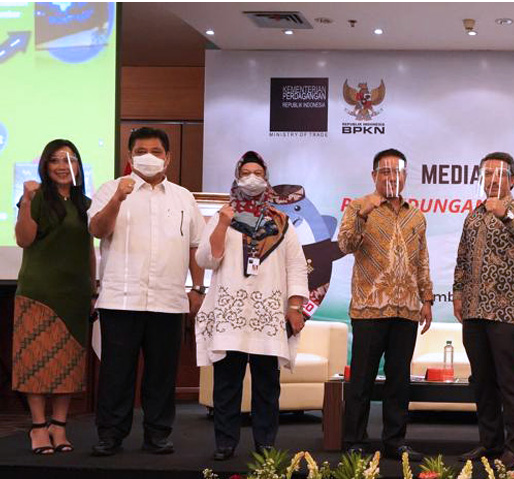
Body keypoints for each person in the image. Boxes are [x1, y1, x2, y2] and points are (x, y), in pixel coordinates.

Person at [88, 127, 206, 456]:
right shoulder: (110, 189)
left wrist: (197, 288)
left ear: (168, 158)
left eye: (156, 151)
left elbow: (196, 245)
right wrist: (117, 199)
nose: (149, 157)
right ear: (130, 156)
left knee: (162, 375)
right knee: (116, 373)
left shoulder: (183, 197)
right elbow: (97, 229)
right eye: (141, 151)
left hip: (168, 300)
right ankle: (110, 435)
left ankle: (157, 434)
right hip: (121, 299)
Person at [195, 151, 309, 460]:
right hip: (230, 312)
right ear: (236, 178)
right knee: (227, 383)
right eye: (246, 173)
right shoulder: (223, 215)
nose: (252, 179)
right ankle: (225, 443)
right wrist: (222, 224)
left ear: (266, 179)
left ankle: (265, 443)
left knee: (267, 385)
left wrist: (295, 307)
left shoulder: (281, 221)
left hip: (267, 314)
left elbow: (296, 266)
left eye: (258, 173)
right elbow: (205, 260)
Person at [336, 149, 433, 460]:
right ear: (374, 175)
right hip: (369, 309)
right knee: (362, 380)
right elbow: (345, 244)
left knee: (399, 381)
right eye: (385, 171)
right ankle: (354, 440)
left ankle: (395, 441)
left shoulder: (416, 216)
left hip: (406, 309)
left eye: (398, 172)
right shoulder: (357, 207)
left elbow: (422, 260)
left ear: (405, 176)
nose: (392, 177)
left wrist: (426, 298)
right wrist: (363, 215)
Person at [454, 152, 514, 468]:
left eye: (499, 174)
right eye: (486, 174)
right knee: (482, 381)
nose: (492, 180)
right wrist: (458, 294)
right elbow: (462, 258)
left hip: (507, 311)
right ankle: (490, 443)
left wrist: (505, 215)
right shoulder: (473, 216)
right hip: (474, 309)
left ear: (513, 180)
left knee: (510, 382)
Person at [13, 139, 95, 454]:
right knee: (35, 361)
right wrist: (25, 201)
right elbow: (24, 239)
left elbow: (88, 250)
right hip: (38, 292)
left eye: (70, 159)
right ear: (45, 166)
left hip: (75, 295)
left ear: (78, 167)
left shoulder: (85, 204)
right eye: (56, 160)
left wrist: (93, 289)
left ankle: (59, 425)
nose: (63, 166)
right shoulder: (36, 199)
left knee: (68, 363)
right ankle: (37, 427)